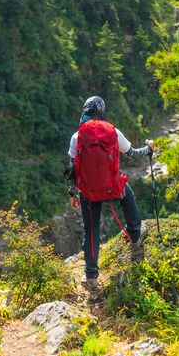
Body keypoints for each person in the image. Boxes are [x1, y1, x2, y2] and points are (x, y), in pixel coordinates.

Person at [67, 95, 154, 292]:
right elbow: (133, 153)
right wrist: (149, 149)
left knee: (91, 228)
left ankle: (91, 276)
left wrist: (73, 193)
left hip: (88, 191)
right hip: (112, 186)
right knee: (128, 196)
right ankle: (134, 234)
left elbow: (72, 167)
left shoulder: (77, 135)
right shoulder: (113, 132)